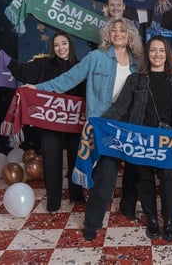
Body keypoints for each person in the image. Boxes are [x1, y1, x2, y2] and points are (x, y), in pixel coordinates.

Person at [23, 18, 143, 213]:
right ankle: (95, 214)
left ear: (130, 35)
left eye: (123, 30)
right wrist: (37, 88)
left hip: (128, 122)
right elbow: (68, 79)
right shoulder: (96, 57)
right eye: (114, 30)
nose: (118, 33)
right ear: (108, 35)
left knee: (131, 166)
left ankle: (127, 205)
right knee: (102, 168)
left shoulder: (137, 62)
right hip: (100, 121)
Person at [98, 36, 172, 242]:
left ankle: (168, 221)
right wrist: (99, 123)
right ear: (147, 54)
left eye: (161, 51)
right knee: (145, 178)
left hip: (170, 140)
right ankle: (151, 219)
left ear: (167, 54)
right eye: (152, 51)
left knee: (169, 177)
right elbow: (120, 107)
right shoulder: (135, 79)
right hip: (142, 140)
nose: (157, 55)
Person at [7, 31, 86, 212]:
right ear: (53, 48)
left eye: (64, 43)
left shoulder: (81, 66)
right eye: (56, 45)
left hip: (75, 122)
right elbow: (22, 71)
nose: (61, 48)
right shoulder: (44, 64)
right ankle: (54, 201)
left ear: (70, 45)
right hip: (50, 123)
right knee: (51, 162)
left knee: (76, 159)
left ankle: (76, 194)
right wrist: (6, 61)